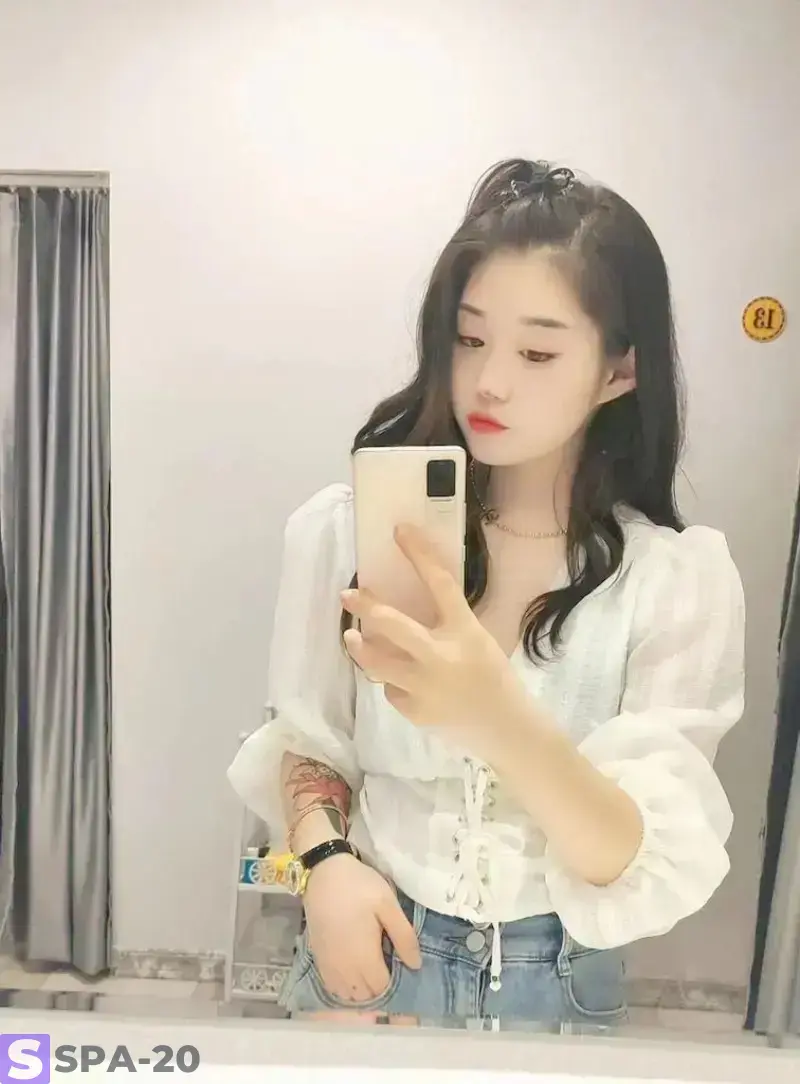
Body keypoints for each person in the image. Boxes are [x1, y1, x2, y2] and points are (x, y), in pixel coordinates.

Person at [227, 159, 745, 1026]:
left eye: (538, 351)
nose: (490, 382)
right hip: (373, 946)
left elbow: (631, 859)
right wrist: (325, 869)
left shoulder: (673, 582)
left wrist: (495, 713)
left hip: (558, 983)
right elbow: (310, 738)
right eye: (470, 340)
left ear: (619, 371)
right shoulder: (348, 533)